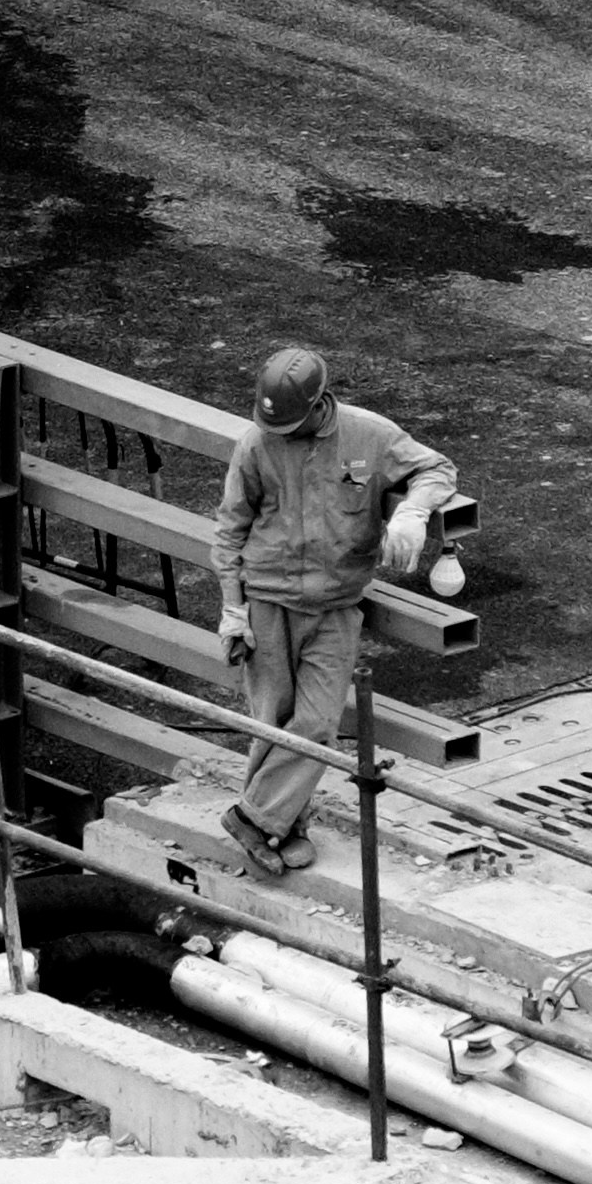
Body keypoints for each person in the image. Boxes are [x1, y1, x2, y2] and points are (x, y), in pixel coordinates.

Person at [212, 343, 457, 878]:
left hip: (337, 603)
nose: (282, 433)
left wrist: (413, 512)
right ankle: (282, 829)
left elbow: (437, 469)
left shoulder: (369, 435)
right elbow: (230, 530)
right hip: (267, 599)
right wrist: (232, 608)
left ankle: (252, 819)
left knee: (319, 723)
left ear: (320, 402)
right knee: (273, 722)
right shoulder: (256, 442)